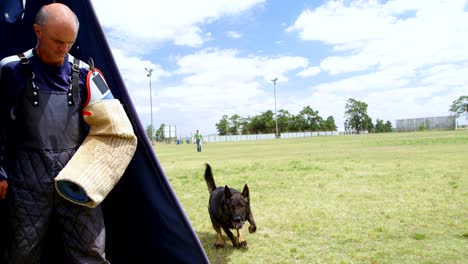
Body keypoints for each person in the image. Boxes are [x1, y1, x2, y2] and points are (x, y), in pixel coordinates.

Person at [0, 3, 113, 263]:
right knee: (21, 253)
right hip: (26, 179)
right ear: (37, 31)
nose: (64, 49)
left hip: (76, 176)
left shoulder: (87, 73)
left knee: (91, 252)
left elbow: (111, 127)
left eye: (70, 43)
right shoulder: (10, 69)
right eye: (57, 41)